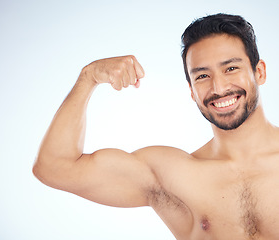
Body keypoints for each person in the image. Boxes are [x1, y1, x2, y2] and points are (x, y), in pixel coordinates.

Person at [33, 13, 279, 239]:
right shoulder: (174, 176)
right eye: (202, 76)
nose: (218, 88)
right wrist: (89, 77)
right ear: (192, 91)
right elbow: (54, 168)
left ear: (259, 72)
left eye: (231, 68)